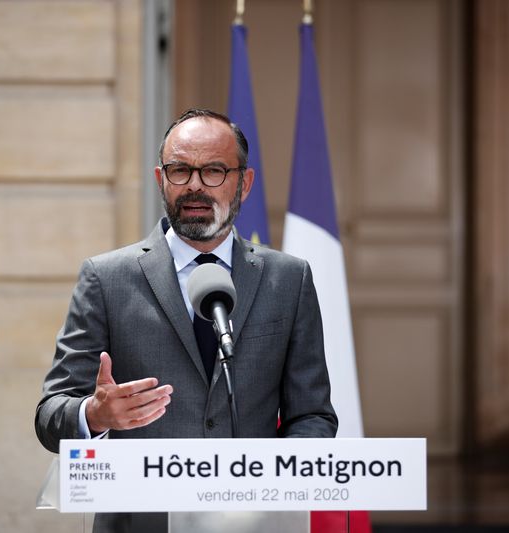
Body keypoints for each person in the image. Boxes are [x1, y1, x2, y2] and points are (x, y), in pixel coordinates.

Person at [35, 108, 337, 531]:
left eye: (214, 170)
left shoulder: (289, 279)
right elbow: (51, 414)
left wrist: (274, 483)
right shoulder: (106, 278)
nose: (195, 185)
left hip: (254, 523)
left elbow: (313, 416)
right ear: (161, 180)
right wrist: (94, 415)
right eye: (180, 170)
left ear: (243, 184)